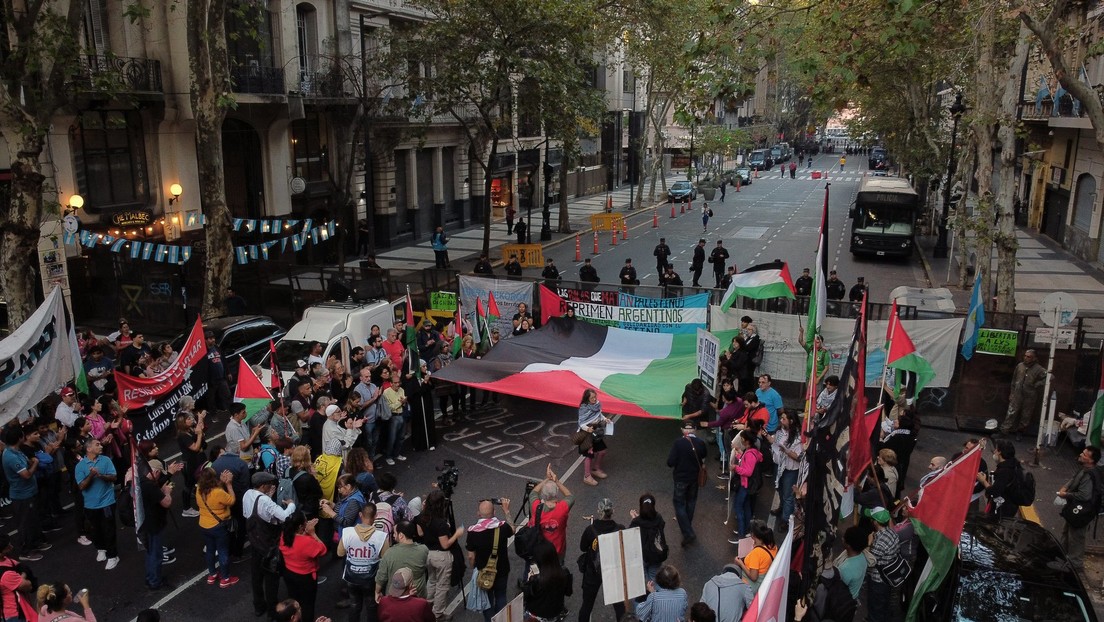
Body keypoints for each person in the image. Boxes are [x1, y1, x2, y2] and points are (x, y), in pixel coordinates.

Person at [245, 471, 297, 619]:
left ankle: (258, 606)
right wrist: (291, 505)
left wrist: (268, 496)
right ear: (262, 486)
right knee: (271, 580)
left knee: (256, 577)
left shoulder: (248, 494)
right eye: (269, 485)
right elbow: (285, 516)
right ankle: (272, 612)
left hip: (255, 543)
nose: (271, 487)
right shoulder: (265, 501)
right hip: (269, 546)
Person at [416, 490, 465, 621]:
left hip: (428, 554)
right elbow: (445, 544)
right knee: (442, 586)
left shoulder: (422, 517)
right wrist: (456, 534)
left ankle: (428, 603)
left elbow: (420, 533)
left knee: (431, 581)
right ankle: (438, 614)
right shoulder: (440, 523)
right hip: (442, 557)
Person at [338, 502, 388, 622]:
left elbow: (340, 553)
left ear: (360, 515)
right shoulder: (381, 536)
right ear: (375, 516)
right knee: (371, 607)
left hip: (351, 577)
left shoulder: (347, 533)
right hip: (371, 578)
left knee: (354, 606)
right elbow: (386, 557)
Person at [466, 498, 514, 622]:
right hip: (502, 569)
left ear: (478, 514)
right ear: (494, 513)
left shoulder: (473, 532)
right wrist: (507, 511)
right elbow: (512, 529)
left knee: (487, 600)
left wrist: (474, 567)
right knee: (501, 595)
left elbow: (471, 556)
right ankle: (501, 619)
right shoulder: (502, 528)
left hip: (484, 571)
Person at [578, 498, 626, 622]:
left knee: (587, 605)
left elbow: (583, 547)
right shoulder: (620, 528)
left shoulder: (590, 530)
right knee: (619, 606)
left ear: (599, 512)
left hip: (594, 571)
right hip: (613, 571)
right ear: (613, 511)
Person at [75, 438, 119, 570]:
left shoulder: (106, 460)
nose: (101, 446)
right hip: (90, 505)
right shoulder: (80, 466)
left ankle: (113, 556)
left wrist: (101, 476)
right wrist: (91, 475)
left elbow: (114, 477)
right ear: (89, 449)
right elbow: (81, 486)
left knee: (109, 529)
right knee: (95, 529)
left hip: (107, 503)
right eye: (97, 444)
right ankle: (101, 548)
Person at [196, 465, 240, 588]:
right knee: (222, 551)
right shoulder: (218, 492)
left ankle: (212, 574)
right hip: (218, 526)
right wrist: (229, 484)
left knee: (210, 550)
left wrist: (220, 481)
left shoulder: (199, 489)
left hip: (204, 524)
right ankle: (225, 578)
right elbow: (231, 501)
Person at [279, 511, 328, 622]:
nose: (308, 522)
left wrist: (305, 531)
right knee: (307, 606)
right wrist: (312, 533)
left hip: (289, 573)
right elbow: (323, 550)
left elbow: (297, 541)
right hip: (305, 578)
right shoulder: (307, 542)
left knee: (294, 602)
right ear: (301, 526)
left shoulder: (284, 535)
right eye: (306, 520)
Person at [1059, 446, 1100, 570]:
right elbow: (1074, 479)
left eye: (1085, 455)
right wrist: (1065, 487)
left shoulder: (1089, 475)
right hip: (1074, 509)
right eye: (1083, 452)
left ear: (1091, 461)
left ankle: (1074, 564)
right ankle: (1062, 556)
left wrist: (1066, 494)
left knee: (1076, 538)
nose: (1081, 455)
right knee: (1067, 533)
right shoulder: (1085, 469)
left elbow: (1084, 495)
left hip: (1081, 512)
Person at [667, 422, 708, 547]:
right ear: (695, 430)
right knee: (691, 501)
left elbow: (670, 462)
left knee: (679, 503)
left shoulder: (678, 443)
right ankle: (687, 526)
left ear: (682, 430)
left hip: (680, 478)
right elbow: (704, 456)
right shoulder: (701, 443)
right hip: (694, 478)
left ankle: (688, 532)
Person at [139, 459, 175, 590]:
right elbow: (166, 503)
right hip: (153, 525)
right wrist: (167, 492)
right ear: (155, 471)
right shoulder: (150, 486)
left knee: (150, 553)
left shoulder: (142, 482)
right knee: (156, 554)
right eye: (160, 473)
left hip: (145, 524)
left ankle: (151, 578)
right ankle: (155, 581)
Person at [528, 465, 575, 559]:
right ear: (557, 492)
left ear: (542, 494)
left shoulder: (536, 507)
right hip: (557, 550)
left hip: (540, 549)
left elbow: (533, 493)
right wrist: (556, 481)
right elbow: (570, 497)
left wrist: (546, 479)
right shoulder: (562, 508)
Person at [765, 411, 802, 527]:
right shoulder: (780, 432)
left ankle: (786, 520)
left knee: (788, 495)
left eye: (784, 419)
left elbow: (798, 457)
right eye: (781, 418)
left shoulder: (798, 437)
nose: (781, 421)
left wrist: (786, 451)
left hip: (789, 470)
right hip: (778, 465)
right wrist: (765, 435)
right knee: (780, 490)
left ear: (791, 421)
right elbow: (774, 442)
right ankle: (781, 508)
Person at [522, 538, 572, 621]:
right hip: (555, 613)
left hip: (536, 615)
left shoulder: (537, 579)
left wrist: (529, 579)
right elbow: (568, 592)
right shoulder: (564, 572)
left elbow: (526, 596)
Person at [376, 521, 430, 600]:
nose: (394, 536)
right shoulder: (424, 550)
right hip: (418, 596)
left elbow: (381, 577)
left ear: (401, 535)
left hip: (395, 597)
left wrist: (377, 591)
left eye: (394, 533)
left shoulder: (389, 553)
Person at [628, 493, 669, 594]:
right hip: (656, 556)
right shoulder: (659, 518)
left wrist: (634, 518)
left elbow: (630, 536)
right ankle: (658, 597)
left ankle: (643, 602)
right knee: (654, 579)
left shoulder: (636, 522)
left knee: (641, 581)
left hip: (642, 556)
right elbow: (659, 525)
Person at [1001, 349, 1046, 436]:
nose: (1026, 358)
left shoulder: (1038, 368)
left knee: (1026, 415)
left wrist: (1038, 384)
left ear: (1034, 358)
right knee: (1011, 412)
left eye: (1028, 357)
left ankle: (1020, 432)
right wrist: (1012, 392)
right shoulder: (1020, 366)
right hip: (1017, 393)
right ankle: (1004, 431)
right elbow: (1014, 380)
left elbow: (1050, 377)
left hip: (1030, 395)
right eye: (1025, 356)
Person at [865, 507, 898, 622]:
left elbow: (870, 562)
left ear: (875, 522)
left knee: (876, 608)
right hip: (888, 577)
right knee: (884, 605)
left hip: (877, 580)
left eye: (872, 519)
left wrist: (869, 543)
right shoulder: (893, 533)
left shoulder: (879, 543)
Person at [728, 431, 762, 540]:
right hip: (748, 485)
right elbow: (744, 461)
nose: (741, 440)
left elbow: (748, 471)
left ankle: (741, 535)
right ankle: (747, 530)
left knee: (739, 507)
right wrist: (738, 452)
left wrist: (735, 468)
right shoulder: (751, 451)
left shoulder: (750, 454)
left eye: (742, 439)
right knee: (746, 507)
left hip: (745, 485)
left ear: (747, 441)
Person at [578, 389, 613, 487]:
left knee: (602, 451)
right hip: (587, 434)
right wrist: (587, 428)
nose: (594, 399)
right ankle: (587, 476)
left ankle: (596, 469)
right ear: (587, 399)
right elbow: (581, 423)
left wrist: (605, 419)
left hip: (596, 432)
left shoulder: (596, 404)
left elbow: (598, 414)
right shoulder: (583, 408)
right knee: (589, 455)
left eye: (595, 397)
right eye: (592, 398)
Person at [204, 330, 232, 414]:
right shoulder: (204, 352)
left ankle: (231, 411)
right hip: (211, 381)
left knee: (227, 395)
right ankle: (213, 414)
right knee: (211, 399)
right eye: (210, 338)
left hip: (222, 378)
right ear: (205, 340)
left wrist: (228, 372)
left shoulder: (217, 348)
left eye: (213, 338)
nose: (212, 340)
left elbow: (223, 360)